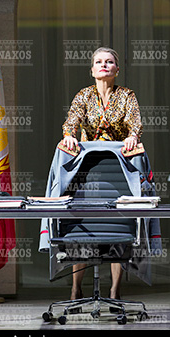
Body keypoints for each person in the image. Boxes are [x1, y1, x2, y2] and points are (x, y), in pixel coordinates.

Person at [61, 46, 143, 300]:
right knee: (82, 227)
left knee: (118, 227)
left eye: (109, 62)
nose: (104, 65)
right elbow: (71, 121)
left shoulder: (127, 95)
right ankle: (75, 288)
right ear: (92, 70)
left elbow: (135, 123)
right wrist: (69, 135)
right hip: (88, 169)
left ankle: (115, 289)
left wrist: (132, 136)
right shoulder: (83, 95)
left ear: (117, 69)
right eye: (99, 62)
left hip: (117, 169)